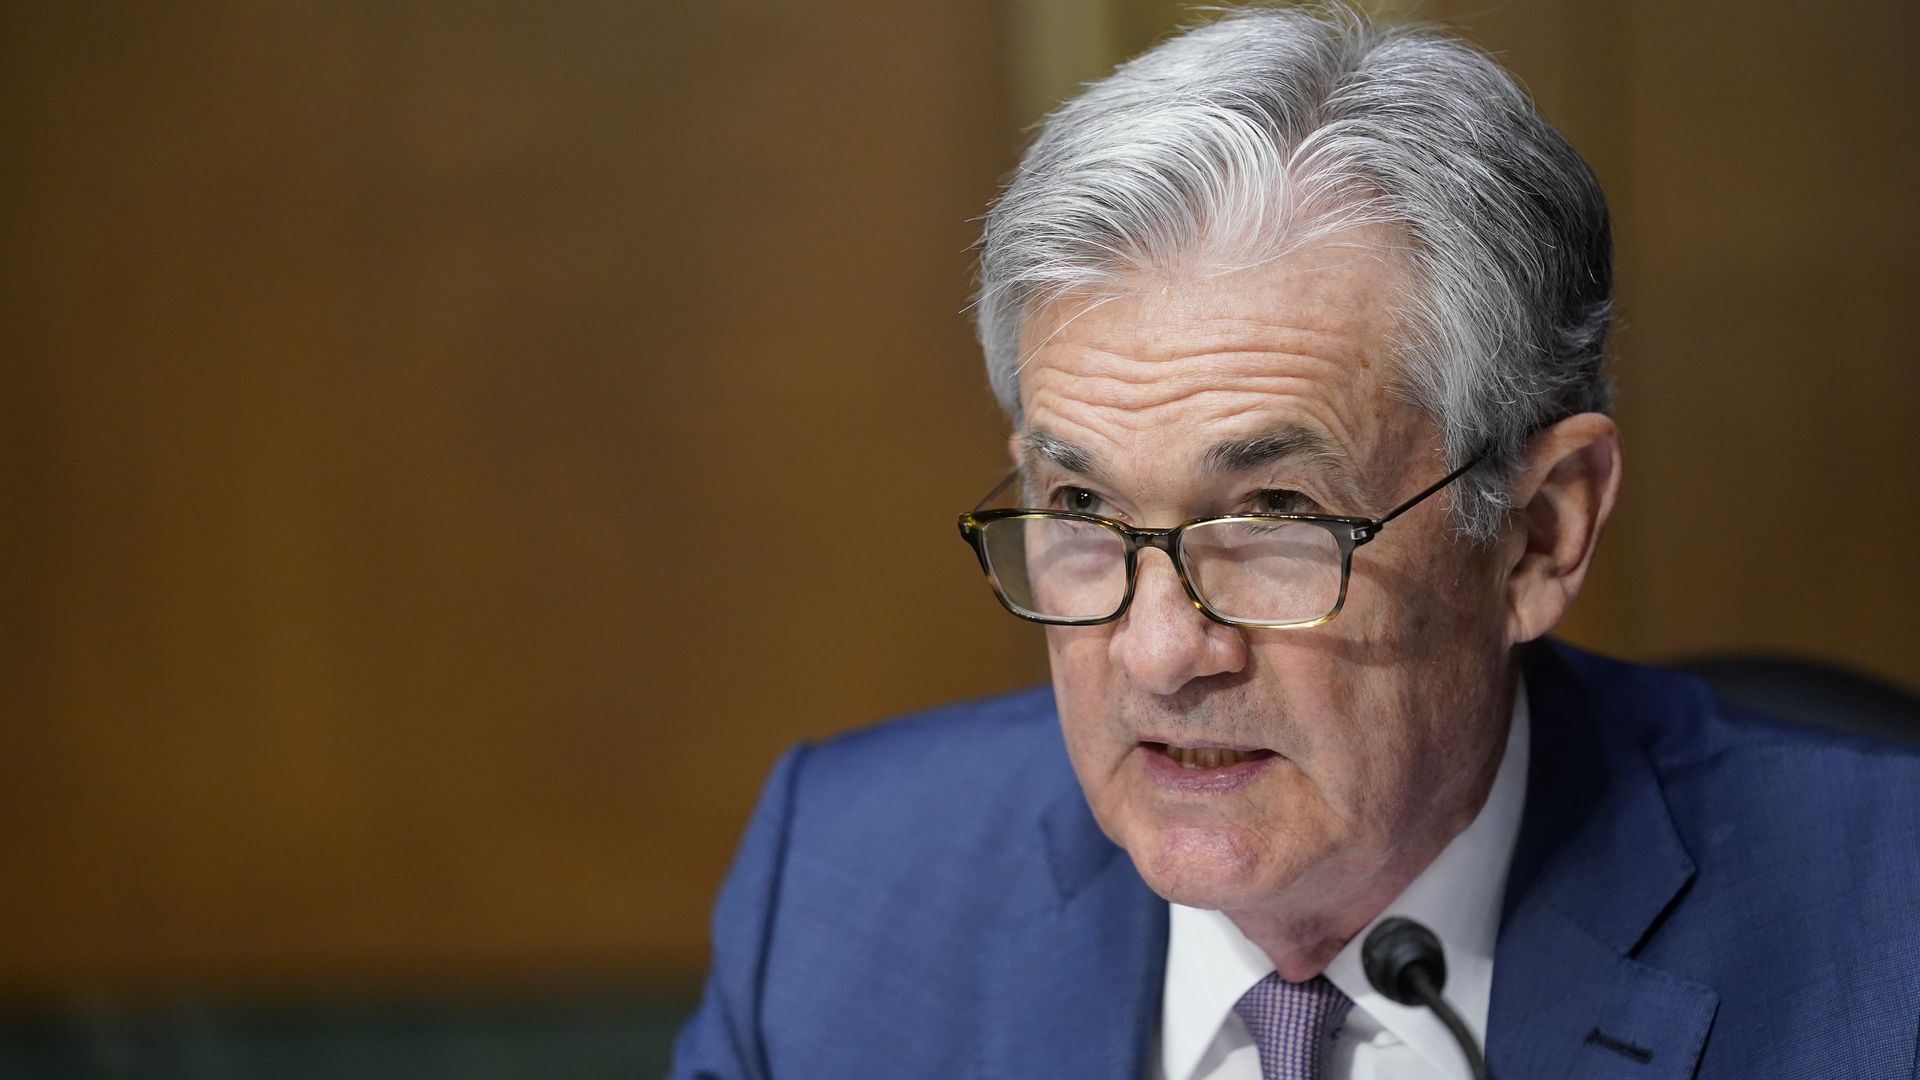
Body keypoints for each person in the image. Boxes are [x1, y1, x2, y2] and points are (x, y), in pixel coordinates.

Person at [670, 7, 1920, 1078]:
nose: (1159, 654)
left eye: (1274, 523)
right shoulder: (839, 897)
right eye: (1084, 513)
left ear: (1539, 532)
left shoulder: (1883, 934)